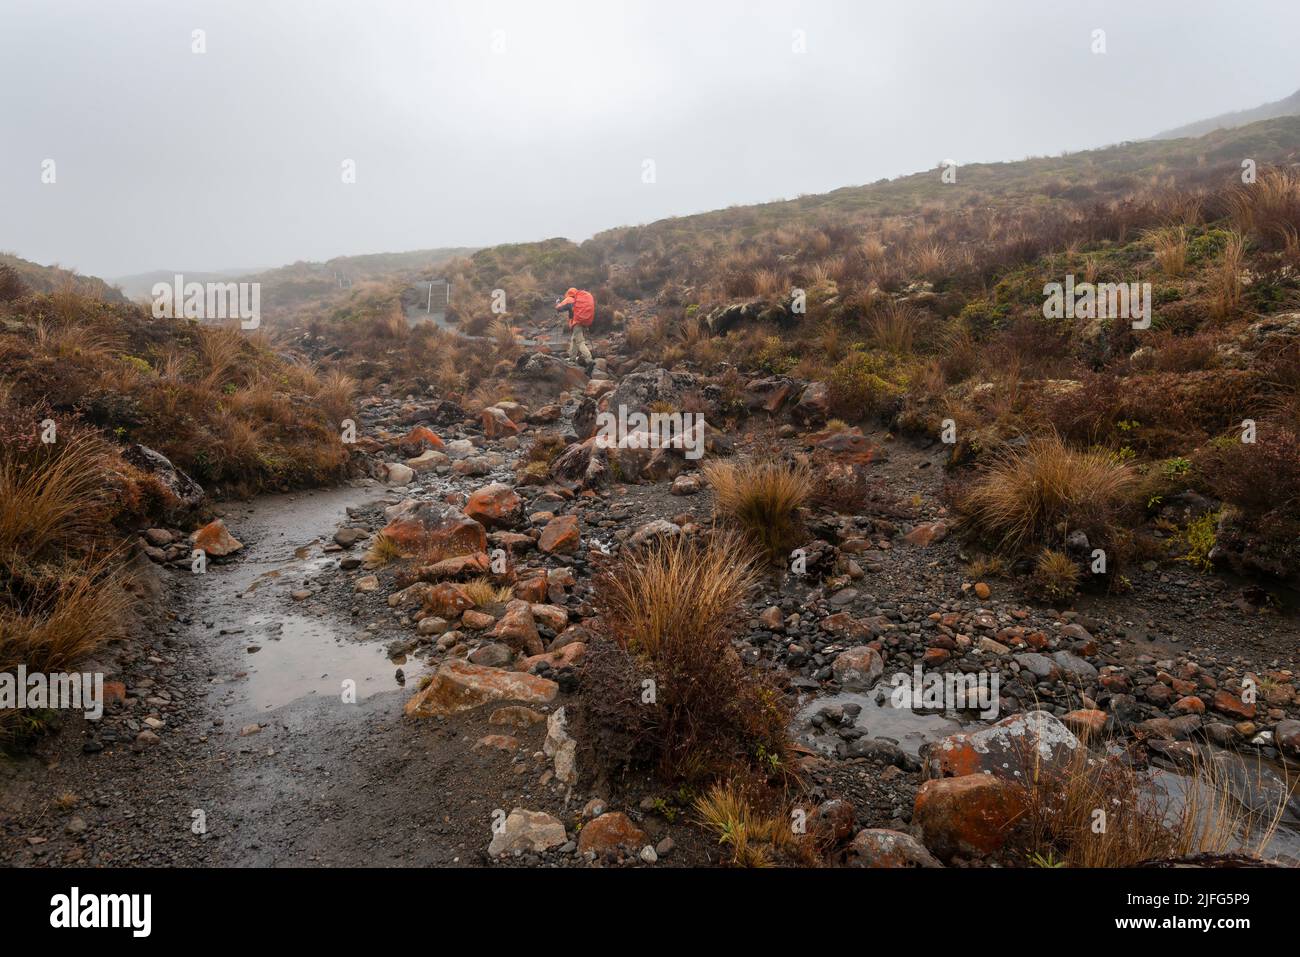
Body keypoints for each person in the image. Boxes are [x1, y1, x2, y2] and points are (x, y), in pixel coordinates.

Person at [555, 286, 594, 368]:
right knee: (574, 340)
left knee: (580, 342)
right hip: (583, 322)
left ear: (568, 293)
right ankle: (572, 358)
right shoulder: (579, 300)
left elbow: (559, 308)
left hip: (576, 323)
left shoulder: (569, 299)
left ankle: (589, 359)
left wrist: (557, 302)